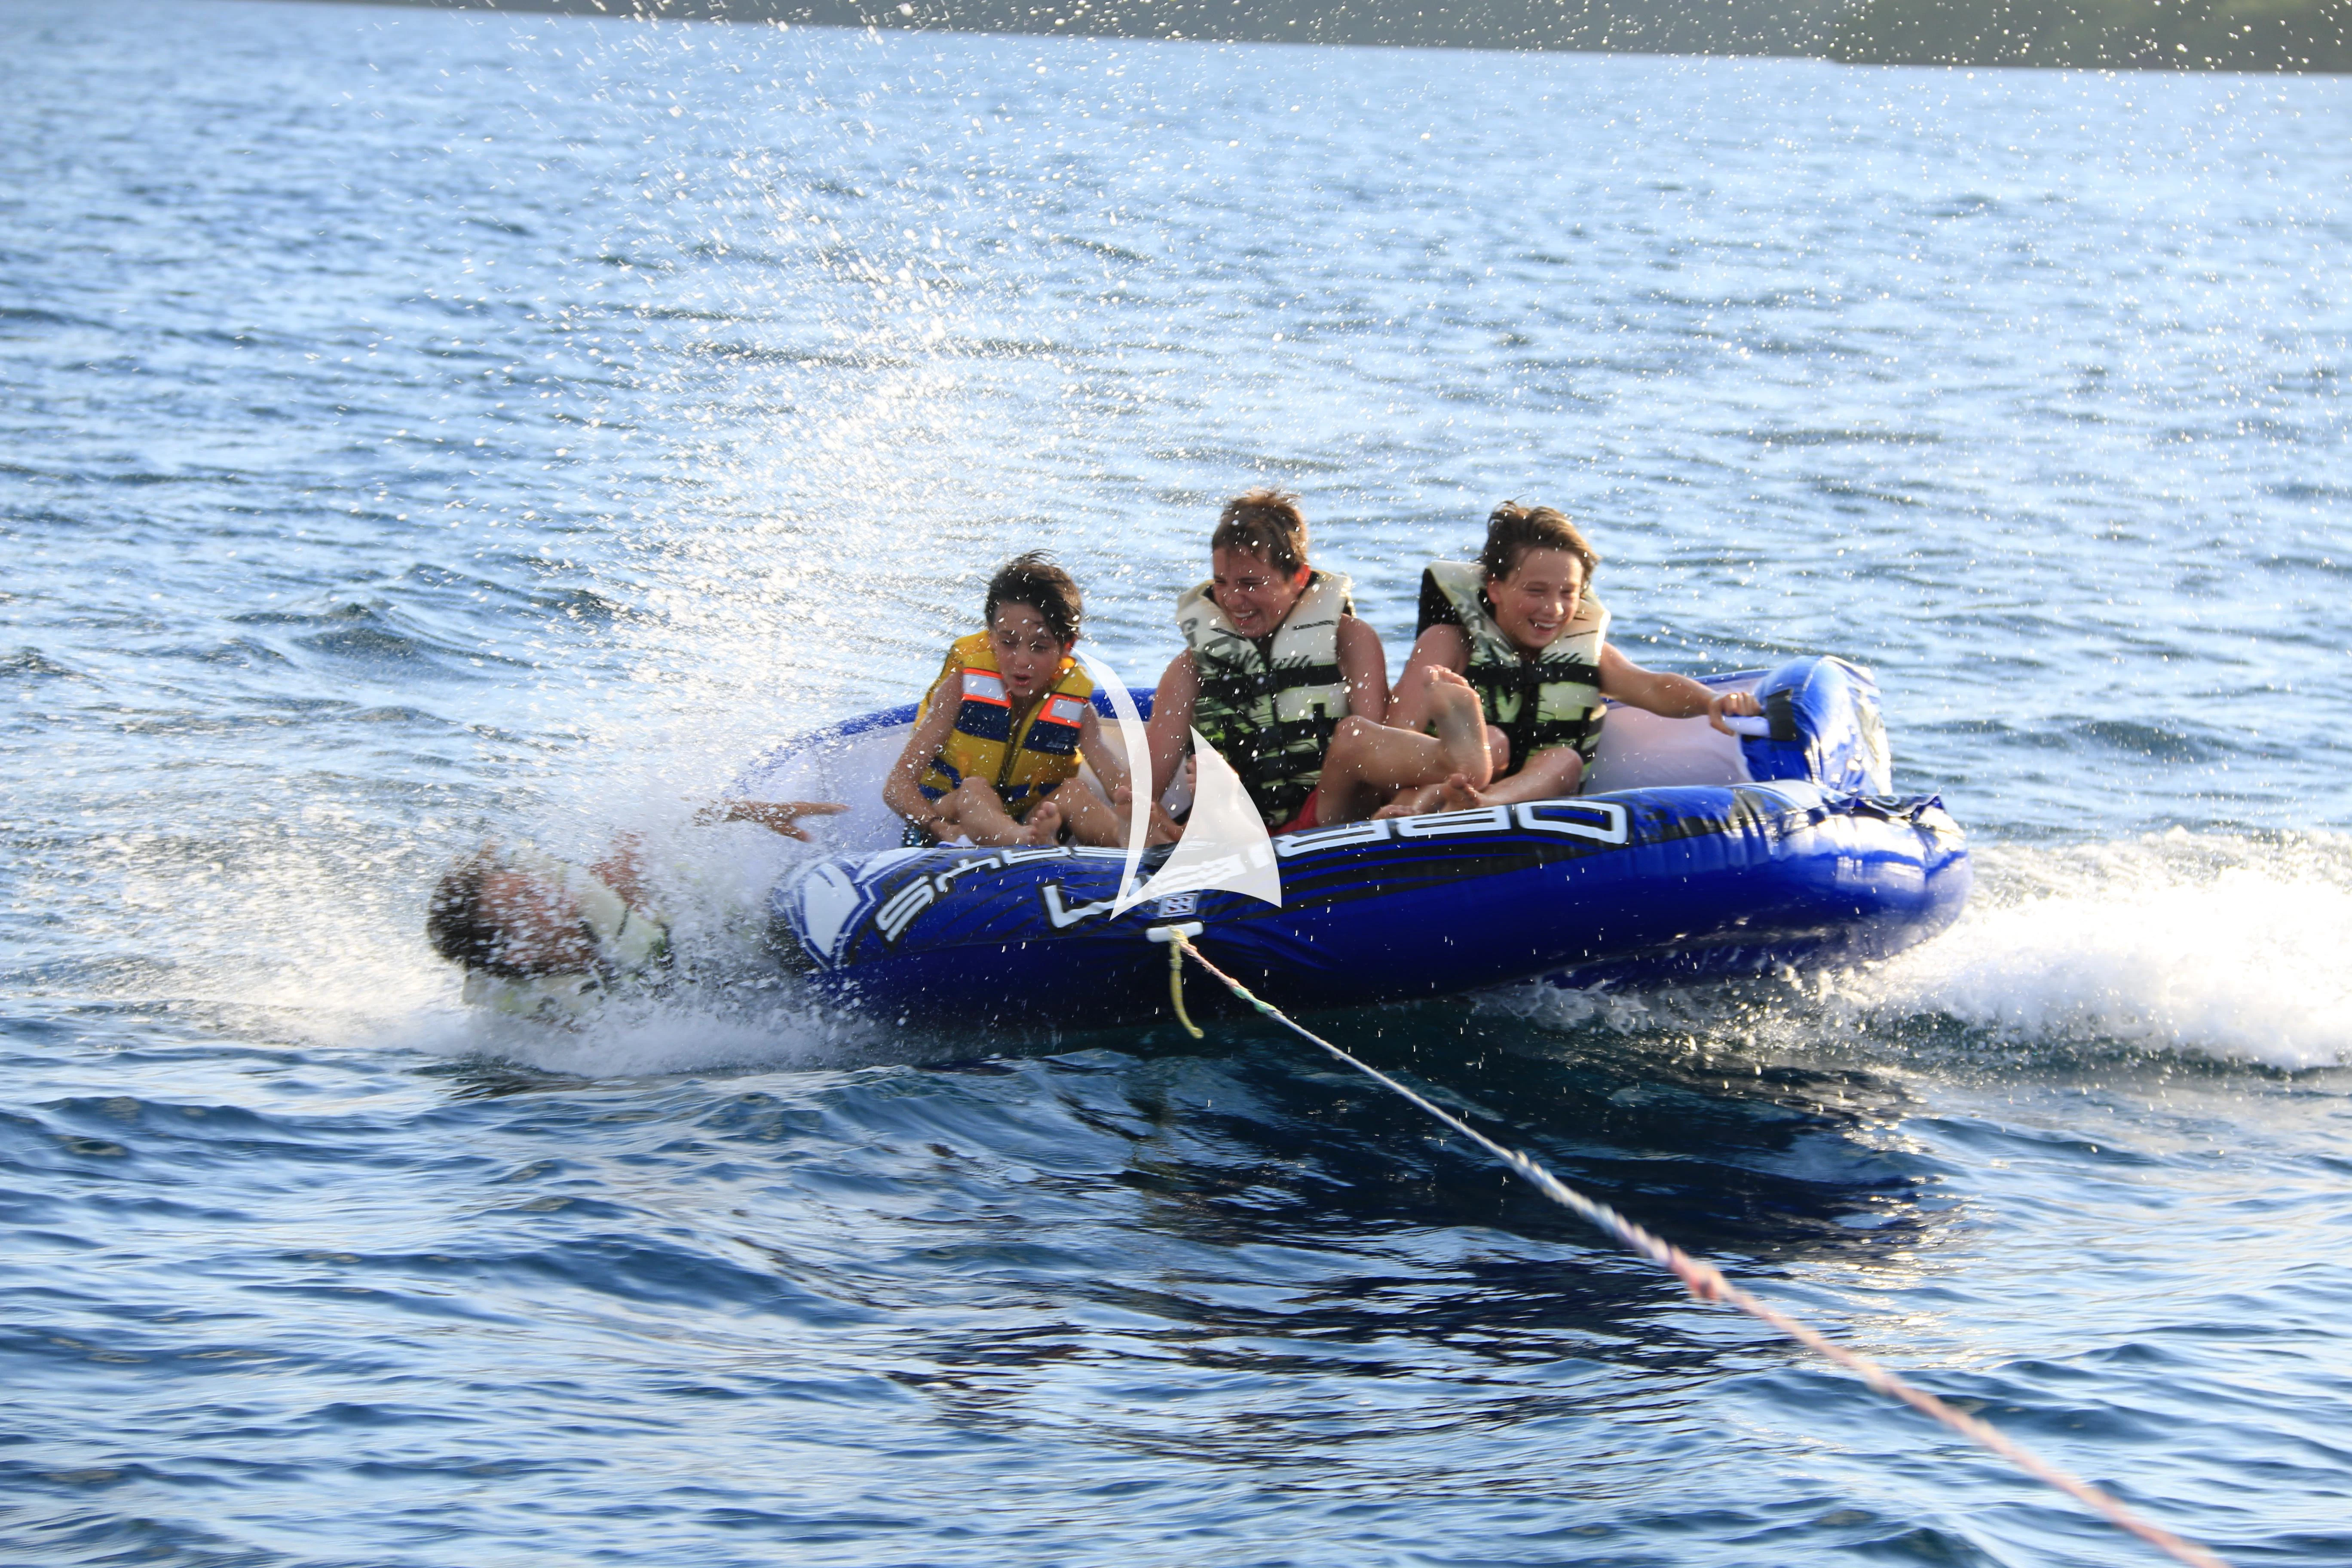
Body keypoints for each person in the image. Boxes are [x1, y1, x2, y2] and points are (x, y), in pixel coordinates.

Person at [1142, 487, 1494, 832]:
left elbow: (1375, 750)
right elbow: (1148, 789)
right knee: (1191, 799)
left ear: (1298, 578)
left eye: (1250, 584)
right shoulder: (1189, 670)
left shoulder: (1350, 640)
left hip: (1329, 815)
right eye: (1221, 583)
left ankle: (1455, 760)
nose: (1233, 600)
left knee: (1357, 735)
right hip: (1237, 826)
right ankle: (1453, 769)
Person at [1379, 501, 1763, 815]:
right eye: (1537, 590)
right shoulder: (1449, 643)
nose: (1553, 608)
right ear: (1495, 588)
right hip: (1435, 788)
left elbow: (1651, 686)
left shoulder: (1589, 655)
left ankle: (1481, 804)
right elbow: (1398, 733)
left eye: (1568, 592)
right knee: (1488, 743)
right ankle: (1412, 811)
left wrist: (1711, 702)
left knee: (1565, 760)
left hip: (1520, 804)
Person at [426, 798, 843, 1018]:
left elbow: (651, 822)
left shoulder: (612, 887)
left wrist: (758, 812)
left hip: (777, 922)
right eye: (525, 901)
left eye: (532, 884)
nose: (545, 888)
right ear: (518, 952)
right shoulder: (547, 1012)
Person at [882, 552, 1146, 848]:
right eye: (1008, 642)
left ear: (1066, 647)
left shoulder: (1078, 712)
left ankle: (1129, 844)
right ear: (992, 637)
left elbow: (1120, 786)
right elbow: (896, 787)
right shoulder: (959, 689)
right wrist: (937, 827)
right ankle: (1026, 842)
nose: (1022, 660)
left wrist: (1134, 802)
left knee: (1074, 793)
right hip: (950, 827)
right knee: (975, 790)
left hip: (1029, 822)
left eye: (1040, 647)